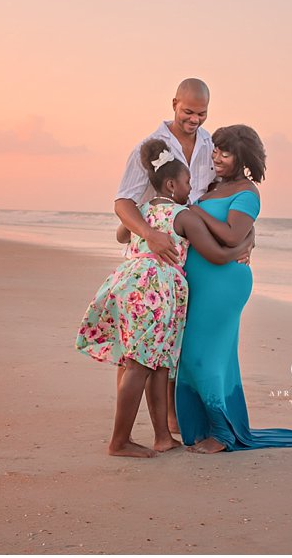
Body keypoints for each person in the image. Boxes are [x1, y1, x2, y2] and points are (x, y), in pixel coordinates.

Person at [175, 124, 292, 453]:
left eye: (225, 154)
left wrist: (196, 212)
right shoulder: (212, 186)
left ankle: (223, 435)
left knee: (205, 357)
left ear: (242, 159)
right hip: (199, 283)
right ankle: (204, 428)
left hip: (224, 285)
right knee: (196, 357)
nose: (217, 158)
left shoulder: (248, 192)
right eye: (215, 151)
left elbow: (231, 235)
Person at [77, 139, 252, 458]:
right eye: (187, 182)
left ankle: (162, 437)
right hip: (156, 292)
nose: (191, 189)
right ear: (172, 185)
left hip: (130, 285)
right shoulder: (183, 216)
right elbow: (214, 253)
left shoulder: (141, 212)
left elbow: (121, 234)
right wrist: (244, 246)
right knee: (140, 364)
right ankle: (119, 441)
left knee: (159, 365)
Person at [114, 78, 253, 434]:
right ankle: (129, 429)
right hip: (156, 254)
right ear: (174, 103)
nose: (194, 119)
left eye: (201, 113)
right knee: (140, 347)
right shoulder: (149, 147)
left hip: (190, 254)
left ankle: (172, 422)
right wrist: (149, 234)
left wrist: (246, 235)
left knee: (176, 338)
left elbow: (222, 199)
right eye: (188, 111)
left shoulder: (211, 145)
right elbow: (123, 202)